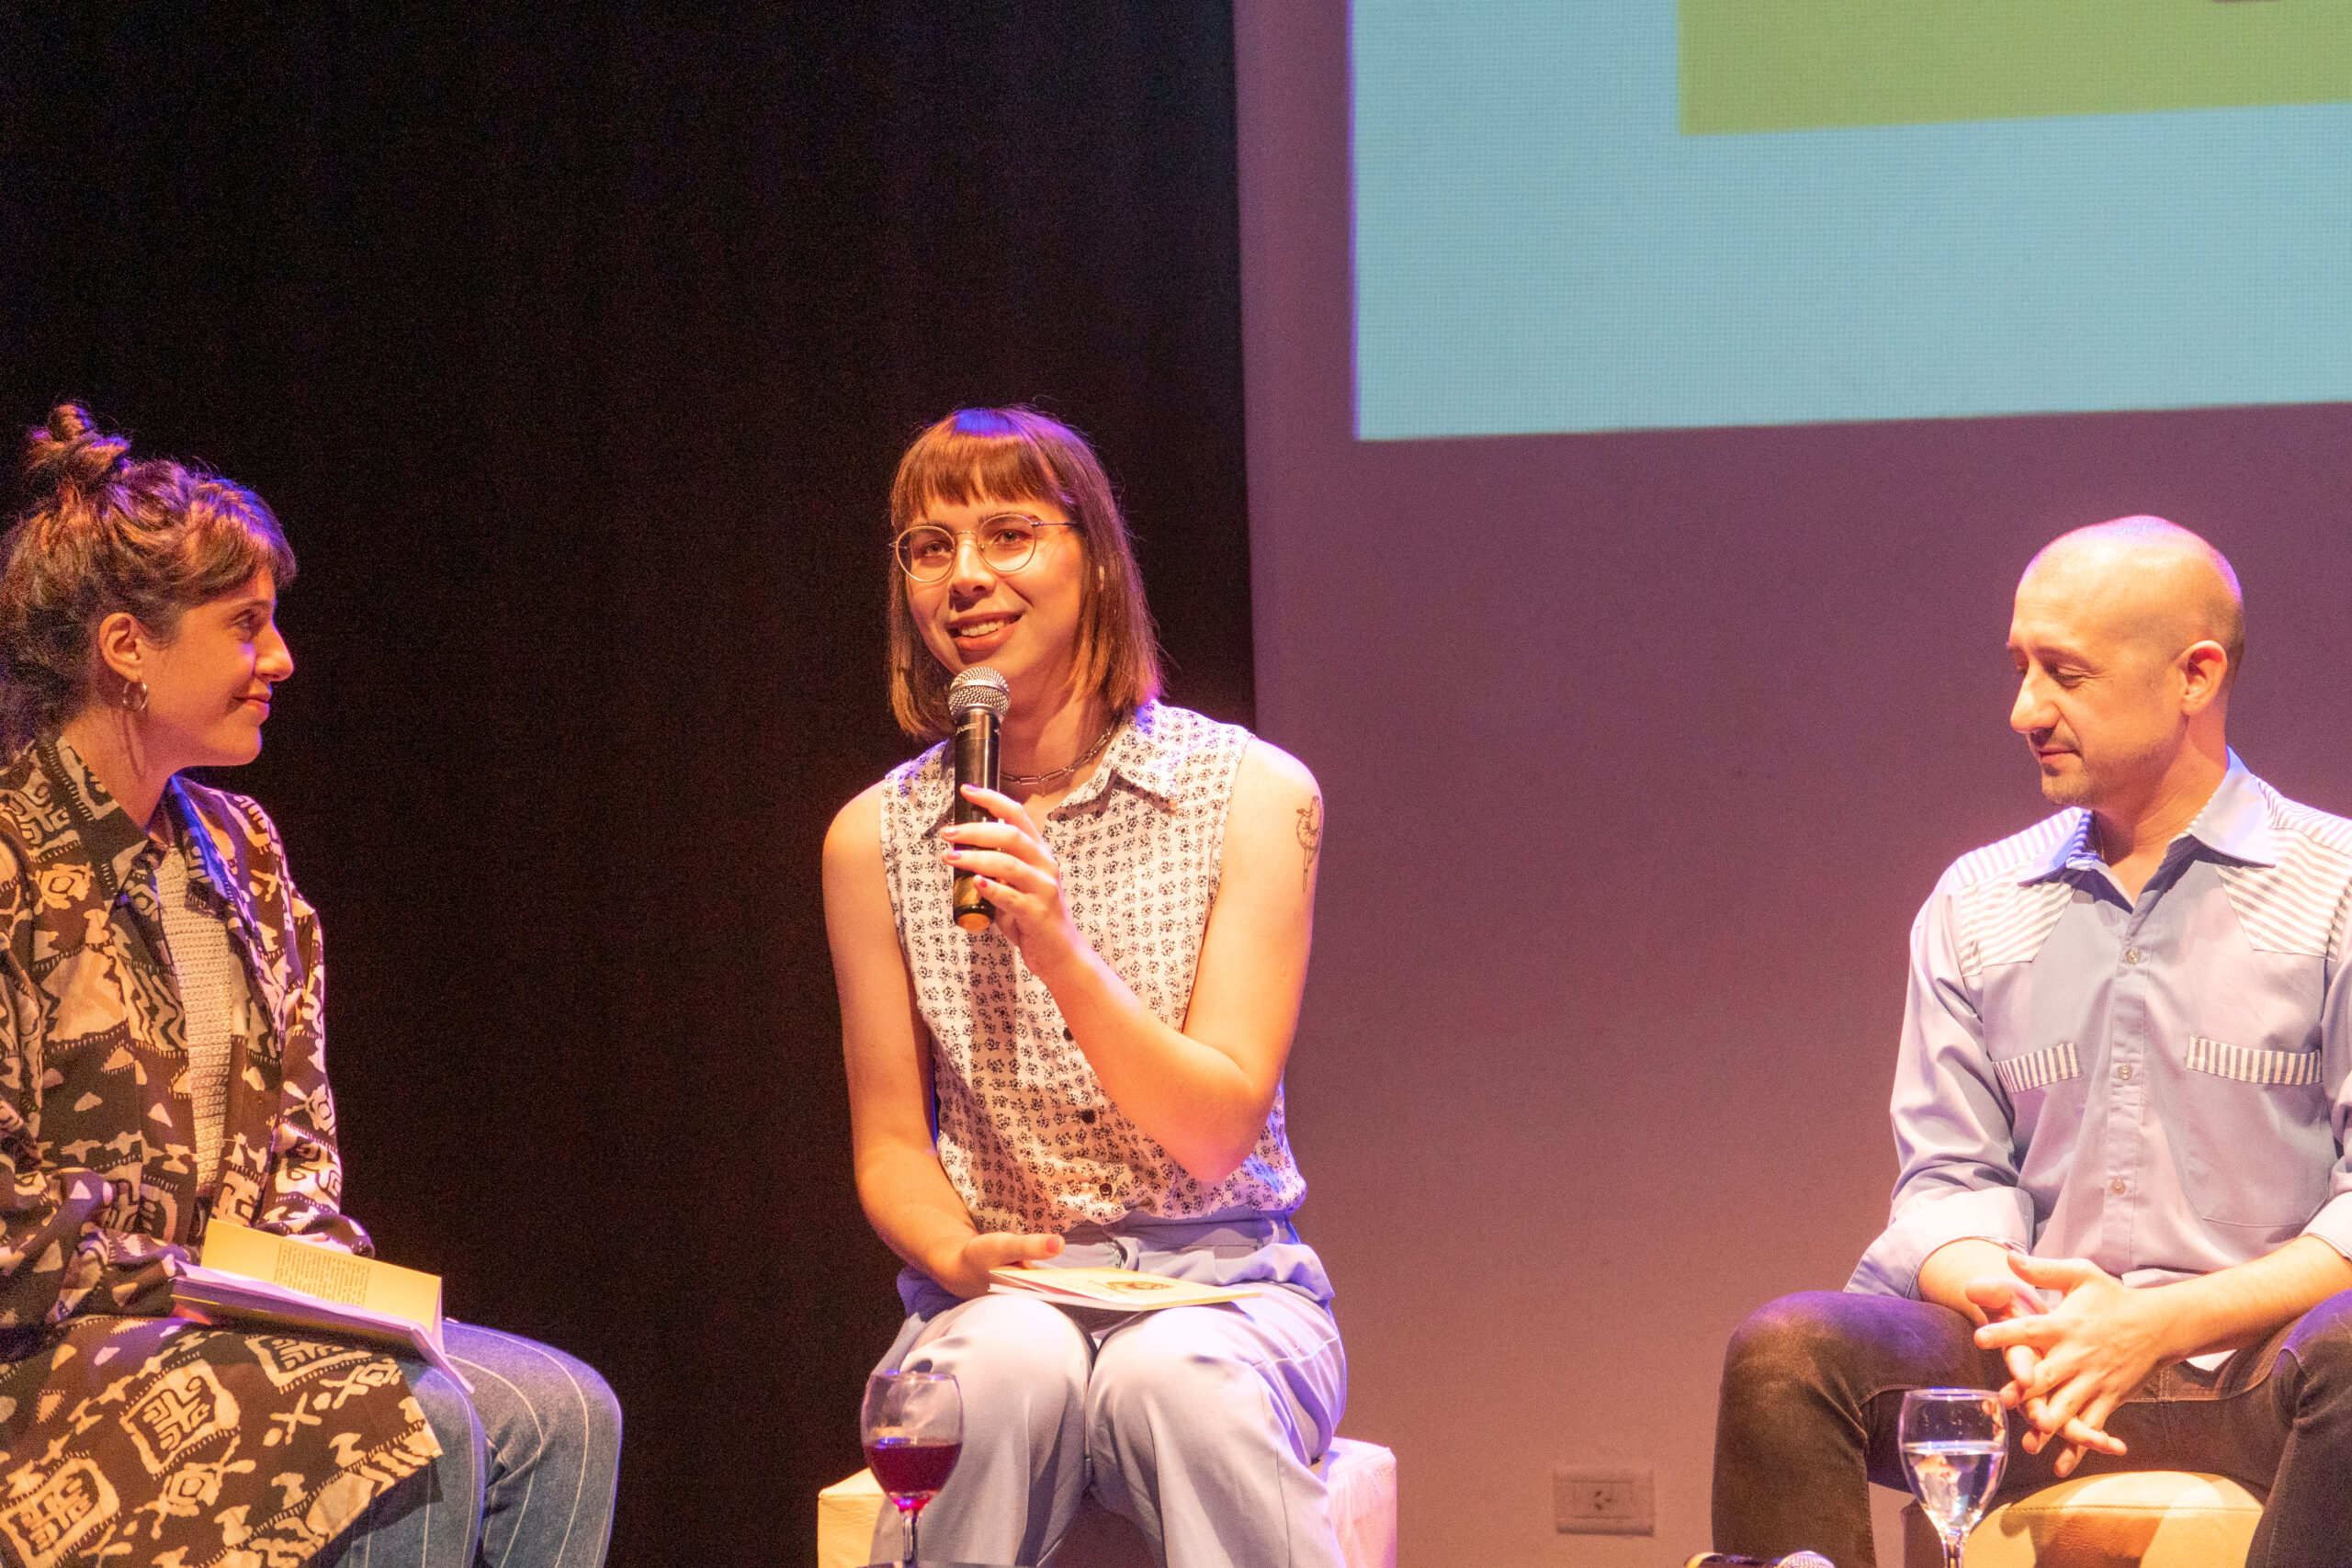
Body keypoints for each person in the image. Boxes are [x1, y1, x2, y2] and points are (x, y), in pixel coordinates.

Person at [0, 406, 621, 1568]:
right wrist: (193, 1280)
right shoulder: (13, 861)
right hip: (52, 1355)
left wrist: (303, 1279)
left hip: (222, 1317)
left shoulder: (242, 851)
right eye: (244, 627)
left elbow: (299, 1148)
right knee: (407, 1426)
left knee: (566, 1412)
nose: (279, 659)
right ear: (127, 646)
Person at [1711, 516, 2352, 1567]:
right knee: (1788, 1355)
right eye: (2018, 669)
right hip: (2037, 1367)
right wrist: (2030, 1309)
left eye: (2062, 673)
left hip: (2257, 1372)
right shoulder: (1977, 902)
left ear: (2194, 676)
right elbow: (1947, 1185)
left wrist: (2158, 1324)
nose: (2022, 711)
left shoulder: (2333, 888)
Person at [823, 407, 1347, 1568]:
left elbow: (1215, 1133)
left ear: (1094, 560)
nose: (966, 578)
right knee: (997, 1376)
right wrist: (954, 1255)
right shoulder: (875, 835)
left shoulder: (1251, 792)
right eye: (928, 546)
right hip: (1006, 1288)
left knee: (1183, 1387)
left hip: (1224, 1287)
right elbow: (892, 1149)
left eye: (1009, 534)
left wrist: (1056, 946)